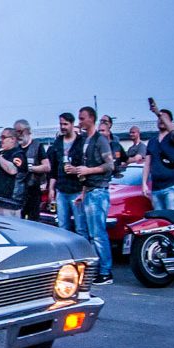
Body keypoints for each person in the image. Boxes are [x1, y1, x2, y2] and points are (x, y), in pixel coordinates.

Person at [69, 106, 115, 285]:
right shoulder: (86, 140)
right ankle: (98, 270)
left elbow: (109, 165)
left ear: (91, 119)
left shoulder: (100, 139)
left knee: (98, 234)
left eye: (82, 118)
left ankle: (106, 271)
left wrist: (89, 170)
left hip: (98, 192)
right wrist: (83, 191)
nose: (79, 122)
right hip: (89, 191)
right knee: (90, 233)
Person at [48, 112, 87, 239]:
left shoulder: (81, 141)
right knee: (62, 226)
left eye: (65, 124)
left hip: (76, 189)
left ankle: (84, 255)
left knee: (81, 227)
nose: (63, 127)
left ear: (72, 124)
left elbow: (87, 165)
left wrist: (76, 170)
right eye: (61, 124)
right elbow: (53, 168)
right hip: (61, 190)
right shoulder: (57, 142)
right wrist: (51, 189)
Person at [142, 100, 174, 211]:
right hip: (156, 189)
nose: (161, 120)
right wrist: (144, 183)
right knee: (160, 224)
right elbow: (147, 165)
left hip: (172, 187)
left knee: (173, 222)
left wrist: (158, 113)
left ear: (170, 122)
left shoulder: (173, 138)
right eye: (159, 118)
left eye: (164, 118)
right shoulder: (152, 141)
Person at [0, 128, 28, 217]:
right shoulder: (1, 154)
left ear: (13, 139)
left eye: (3, 137)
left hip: (9, 203)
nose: (1, 140)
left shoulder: (18, 154)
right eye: (1, 137)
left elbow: (12, 170)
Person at [14, 119, 50, 221]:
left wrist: (30, 168)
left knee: (33, 220)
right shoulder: (16, 148)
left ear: (27, 131)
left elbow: (47, 167)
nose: (18, 135)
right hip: (18, 191)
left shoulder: (37, 146)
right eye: (16, 132)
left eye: (20, 131)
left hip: (33, 189)